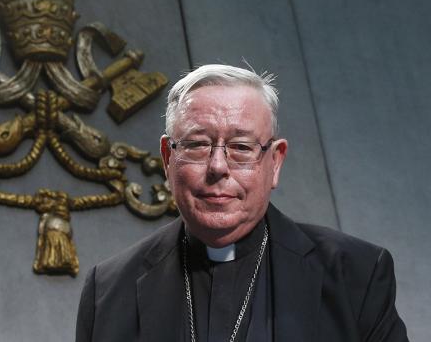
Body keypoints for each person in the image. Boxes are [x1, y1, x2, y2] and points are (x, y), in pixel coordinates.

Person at [75, 64, 408, 342]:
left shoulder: (356, 275)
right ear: (167, 158)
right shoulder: (107, 292)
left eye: (242, 147)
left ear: (275, 162)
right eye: (196, 145)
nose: (218, 167)